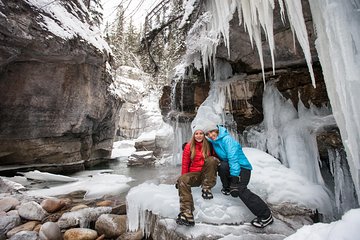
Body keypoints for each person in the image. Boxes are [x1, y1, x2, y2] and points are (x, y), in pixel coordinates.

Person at [205, 125, 273, 228]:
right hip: (231, 167)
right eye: (208, 134)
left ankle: (266, 216)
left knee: (240, 189)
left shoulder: (227, 140)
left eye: (211, 132)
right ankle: (227, 187)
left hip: (242, 168)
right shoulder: (214, 142)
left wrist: (234, 180)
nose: (210, 135)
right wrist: (188, 146)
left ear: (217, 130)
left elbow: (233, 160)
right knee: (222, 166)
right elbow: (199, 143)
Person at [176, 125, 219, 227]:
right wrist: (182, 179)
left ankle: (206, 188)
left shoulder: (209, 144)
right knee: (182, 179)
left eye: (201, 133)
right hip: (195, 174)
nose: (199, 136)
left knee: (212, 160)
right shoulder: (189, 146)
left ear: (204, 135)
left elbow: (216, 158)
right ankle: (187, 212)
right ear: (193, 135)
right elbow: (185, 163)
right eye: (196, 133)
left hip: (207, 174)